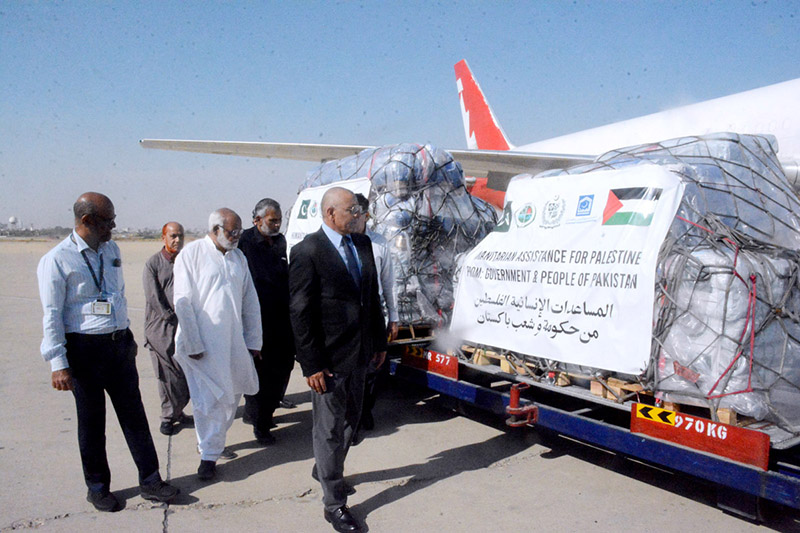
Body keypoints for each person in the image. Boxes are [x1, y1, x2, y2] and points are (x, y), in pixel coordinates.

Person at [37, 192, 179, 512]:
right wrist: (58, 364)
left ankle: (151, 480)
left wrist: (126, 339)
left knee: (135, 416)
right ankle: (98, 486)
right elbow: (51, 315)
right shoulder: (57, 260)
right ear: (87, 221)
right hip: (84, 350)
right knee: (92, 423)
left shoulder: (111, 249)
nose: (114, 227)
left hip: (117, 345)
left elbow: (116, 294)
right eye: (108, 221)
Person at [289, 187, 387, 533]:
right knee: (328, 431)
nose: (359, 214)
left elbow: (371, 298)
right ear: (331, 213)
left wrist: (378, 341)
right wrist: (311, 364)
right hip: (328, 360)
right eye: (352, 209)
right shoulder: (308, 251)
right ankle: (334, 503)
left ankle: (326, 470)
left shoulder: (362, 245)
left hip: (361, 352)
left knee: (352, 421)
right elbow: (300, 313)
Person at [173, 208, 262, 481]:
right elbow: (183, 301)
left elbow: (250, 301)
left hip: (233, 342)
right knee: (206, 400)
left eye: (239, 232)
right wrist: (193, 341)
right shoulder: (192, 254)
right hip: (202, 344)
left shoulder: (238, 258)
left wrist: (254, 339)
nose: (236, 237)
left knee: (231, 395)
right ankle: (208, 456)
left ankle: (215, 443)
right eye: (231, 232)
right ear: (215, 230)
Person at [237, 198, 295, 445]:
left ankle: (263, 414)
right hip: (256, 320)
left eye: (279, 220)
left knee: (282, 369)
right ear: (257, 220)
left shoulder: (280, 242)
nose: (277, 224)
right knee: (260, 373)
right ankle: (260, 424)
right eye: (273, 220)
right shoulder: (243, 243)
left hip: (282, 319)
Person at [353, 193, 398, 435]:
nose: (353, 216)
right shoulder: (342, 243)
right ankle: (353, 414)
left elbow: (389, 282)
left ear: (366, 215)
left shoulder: (379, 243)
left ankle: (364, 411)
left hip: (373, 316)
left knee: (374, 369)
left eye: (356, 212)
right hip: (349, 318)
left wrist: (394, 316)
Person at [143, 221, 192, 436]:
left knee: (184, 374)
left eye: (180, 236)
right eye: (172, 236)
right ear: (163, 238)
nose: (177, 240)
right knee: (166, 376)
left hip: (184, 325)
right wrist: (169, 315)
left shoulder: (186, 261)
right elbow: (153, 296)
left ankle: (178, 411)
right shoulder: (153, 264)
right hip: (160, 328)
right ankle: (167, 416)